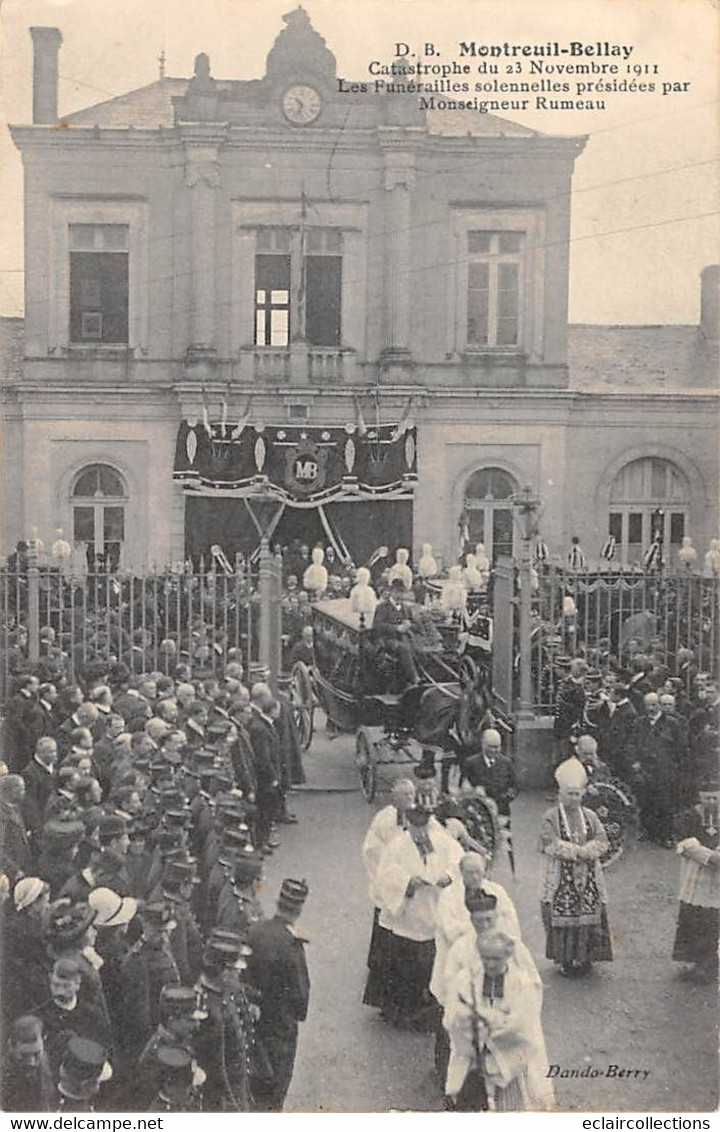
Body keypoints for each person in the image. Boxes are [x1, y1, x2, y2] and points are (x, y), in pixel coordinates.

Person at [372, 802, 462, 1029]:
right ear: (408, 825)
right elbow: (385, 876)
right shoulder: (396, 846)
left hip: (435, 909)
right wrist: (408, 882)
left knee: (433, 963)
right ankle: (407, 1012)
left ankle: (431, 1011)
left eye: (424, 828)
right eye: (416, 828)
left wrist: (448, 877)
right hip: (409, 913)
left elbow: (458, 862)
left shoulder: (442, 841)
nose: (421, 834)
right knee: (408, 966)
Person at [443, 928, 552, 1111]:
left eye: (495, 959)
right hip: (473, 1059)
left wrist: (487, 1028)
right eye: (485, 958)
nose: (490, 964)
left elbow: (523, 1024)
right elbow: (453, 1016)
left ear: (507, 956)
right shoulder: (465, 980)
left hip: (507, 1061)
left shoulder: (522, 984)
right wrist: (480, 1030)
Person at [539, 757, 613, 977]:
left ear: (583, 794)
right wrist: (576, 852)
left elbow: (603, 839)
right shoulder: (550, 816)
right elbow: (548, 842)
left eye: (577, 794)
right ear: (560, 794)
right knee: (564, 916)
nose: (574, 798)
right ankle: (566, 959)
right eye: (569, 794)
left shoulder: (590, 816)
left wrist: (588, 851)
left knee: (589, 914)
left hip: (588, 875)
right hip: (561, 875)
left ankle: (587, 956)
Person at [247, 878, 310, 1112]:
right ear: (299, 909)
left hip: (255, 1026)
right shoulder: (291, 946)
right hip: (280, 1031)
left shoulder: (255, 931)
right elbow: (301, 1000)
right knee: (274, 1094)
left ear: (277, 902)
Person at [361, 778, 417, 1012]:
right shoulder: (383, 821)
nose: (410, 801)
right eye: (405, 796)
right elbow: (372, 853)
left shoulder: (418, 817)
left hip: (409, 890)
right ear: (395, 798)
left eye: (412, 796)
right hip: (389, 889)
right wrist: (395, 878)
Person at [672, 779, 720, 984]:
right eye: (707, 797)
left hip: (717, 878)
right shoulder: (689, 816)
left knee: (711, 921)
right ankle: (694, 962)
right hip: (695, 872)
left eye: (715, 797)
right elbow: (684, 841)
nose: (711, 801)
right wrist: (710, 857)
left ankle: (709, 965)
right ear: (700, 797)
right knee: (693, 919)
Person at [372, 577, 420, 689]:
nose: (399, 595)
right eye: (397, 591)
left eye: (401, 592)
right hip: (388, 640)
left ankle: (419, 678)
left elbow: (417, 626)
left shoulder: (406, 608)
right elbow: (378, 626)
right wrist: (397, 628)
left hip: (405, 638)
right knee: (403, 648)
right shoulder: (382, 607)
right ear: (391, 591)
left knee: (419, 649)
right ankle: (414, 678)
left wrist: (410, 625)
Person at [1, 1014, 56, 1112]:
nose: (32, 1062)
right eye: (24, 1055)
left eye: (36, 1054)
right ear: (11, 1046)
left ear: (44, 1040)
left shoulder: (47, 1058)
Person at [462, 729, 517, 819]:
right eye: (491, 747)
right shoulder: (471, 763)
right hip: (478, 813)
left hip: (501, 812)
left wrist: (505, 798)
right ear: (483, 745)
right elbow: (464, 787)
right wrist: (474, 792)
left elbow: (514, 787)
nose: (495, 750)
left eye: (497, 747)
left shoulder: (507, 763)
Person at [553, 659, 588, 761]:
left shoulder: (583, 685)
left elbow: (579, 709)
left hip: (572, 725)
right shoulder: (567, 682)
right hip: (561, 725)